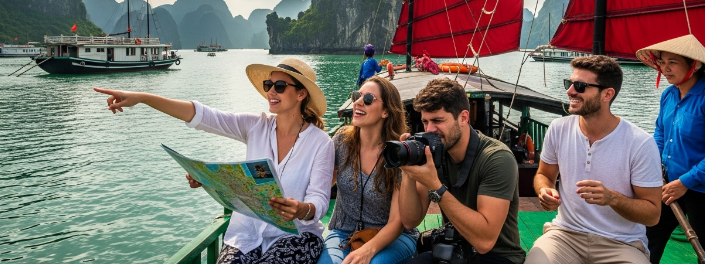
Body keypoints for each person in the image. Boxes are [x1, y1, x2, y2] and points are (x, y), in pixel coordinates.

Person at [94, 57, 335, 264]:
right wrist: (143, 98)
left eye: (280, 86)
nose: (270, 91)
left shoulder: (320, 142)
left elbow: (320, 199)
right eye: (268, 84)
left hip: (296, 236)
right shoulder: (256, 126)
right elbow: (204, 115)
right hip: (247, 233)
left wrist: (303, 209)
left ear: (301, 94)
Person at [526, 55, 662, 264]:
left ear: (607, 94)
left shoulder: (640, 143)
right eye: (569, 83)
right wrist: (544, 190)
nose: (570, 91)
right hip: (566, 235)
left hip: (621, 243)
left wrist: (612, 198)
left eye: (580, 86)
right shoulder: (558, 129)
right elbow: (544, 174)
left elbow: (652, 214)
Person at [636, 34, 705, 264]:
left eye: (672, 62)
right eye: (662, 62)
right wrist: (654, 165)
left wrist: (685, 182)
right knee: (645, 239)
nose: (665, 68)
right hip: (670, 184)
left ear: (694, 65)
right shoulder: (669, 95)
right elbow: (661, 133)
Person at [398, 78, 526, 264]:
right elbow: (411, 220)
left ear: (463, 118)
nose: (430, 130)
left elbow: (485, 242)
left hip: (497, 256)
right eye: (425, 122)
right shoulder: (435, 152)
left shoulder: (497, 158)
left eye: (438, 121)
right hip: (455, 250)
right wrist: (409, 171)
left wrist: (436, 187)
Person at [318, 76, 418, 264]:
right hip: (343, 231)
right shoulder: (341, 141)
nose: (357, 102)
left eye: (368, 99)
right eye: (357, 95)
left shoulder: (397, 152)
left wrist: (367, 251)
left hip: (391, 236)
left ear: (386, 112)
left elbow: (397, 222)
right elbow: (321, 185)